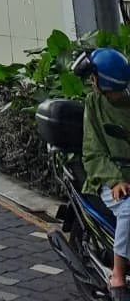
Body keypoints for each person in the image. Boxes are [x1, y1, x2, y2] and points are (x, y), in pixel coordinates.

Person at [82, 46, 130, 300]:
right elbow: (92, 151)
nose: (92, 82)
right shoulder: (94, 104)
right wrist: (116, 179)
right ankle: (118, 274)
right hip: (109, 178)